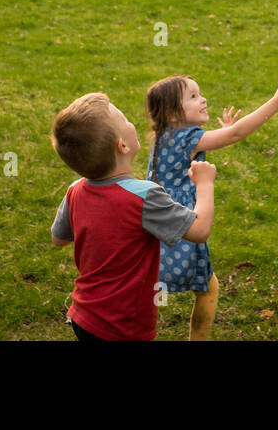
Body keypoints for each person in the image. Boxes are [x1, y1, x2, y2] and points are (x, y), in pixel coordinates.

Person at [145, 74, 278, 340]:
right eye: (193, 97)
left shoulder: (164, 136)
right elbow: (237, 134)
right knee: (208, 289)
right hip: (184, 225)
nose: (203, 98)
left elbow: (221, 139)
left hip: (155, 224)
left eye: (200, 92)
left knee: (149, 285)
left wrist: (221, 134)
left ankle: (135, 329)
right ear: (173, 115)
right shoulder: (188, 139)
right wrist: (274, 104)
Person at [50, 92, 215, 341]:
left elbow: (59, 239)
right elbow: (199, 230)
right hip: (123, 326)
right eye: (124, 119)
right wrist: (204, 185)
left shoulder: (75, 190)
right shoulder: (144, 197)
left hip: (83, 315)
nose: (131, 122)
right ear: (122, 145)